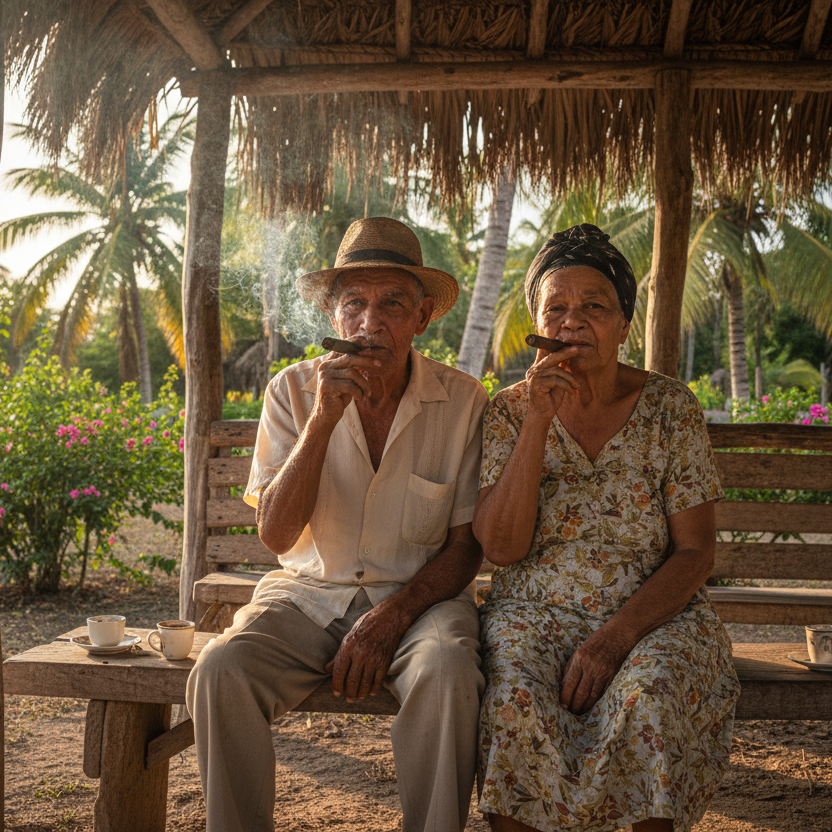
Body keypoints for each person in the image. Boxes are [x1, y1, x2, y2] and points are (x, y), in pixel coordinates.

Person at [187, 217, 489, 832]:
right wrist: (324, 420)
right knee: (221, 671)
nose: (370, 323)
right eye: (354, 304)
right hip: (305, 596)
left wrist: (390, 617)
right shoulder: (293, 392)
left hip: (420, 603)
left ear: (422, 317)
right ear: (333, 317)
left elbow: (465, 550)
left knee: (450, 671)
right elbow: (274, 536)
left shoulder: (463, 401)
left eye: (391, 304)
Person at [472, 224, 740, 832]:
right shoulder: (511, 410)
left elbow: (696, 553)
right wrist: (539, 420)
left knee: (648, 698)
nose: (572, 323)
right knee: (513, 697)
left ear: (624, 323)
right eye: (556, 309)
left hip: (652, 614)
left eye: (593, 307)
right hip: (531, 610)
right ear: (537, 324)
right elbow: (503, 549)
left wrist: (616, 636)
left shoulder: (671, 408)